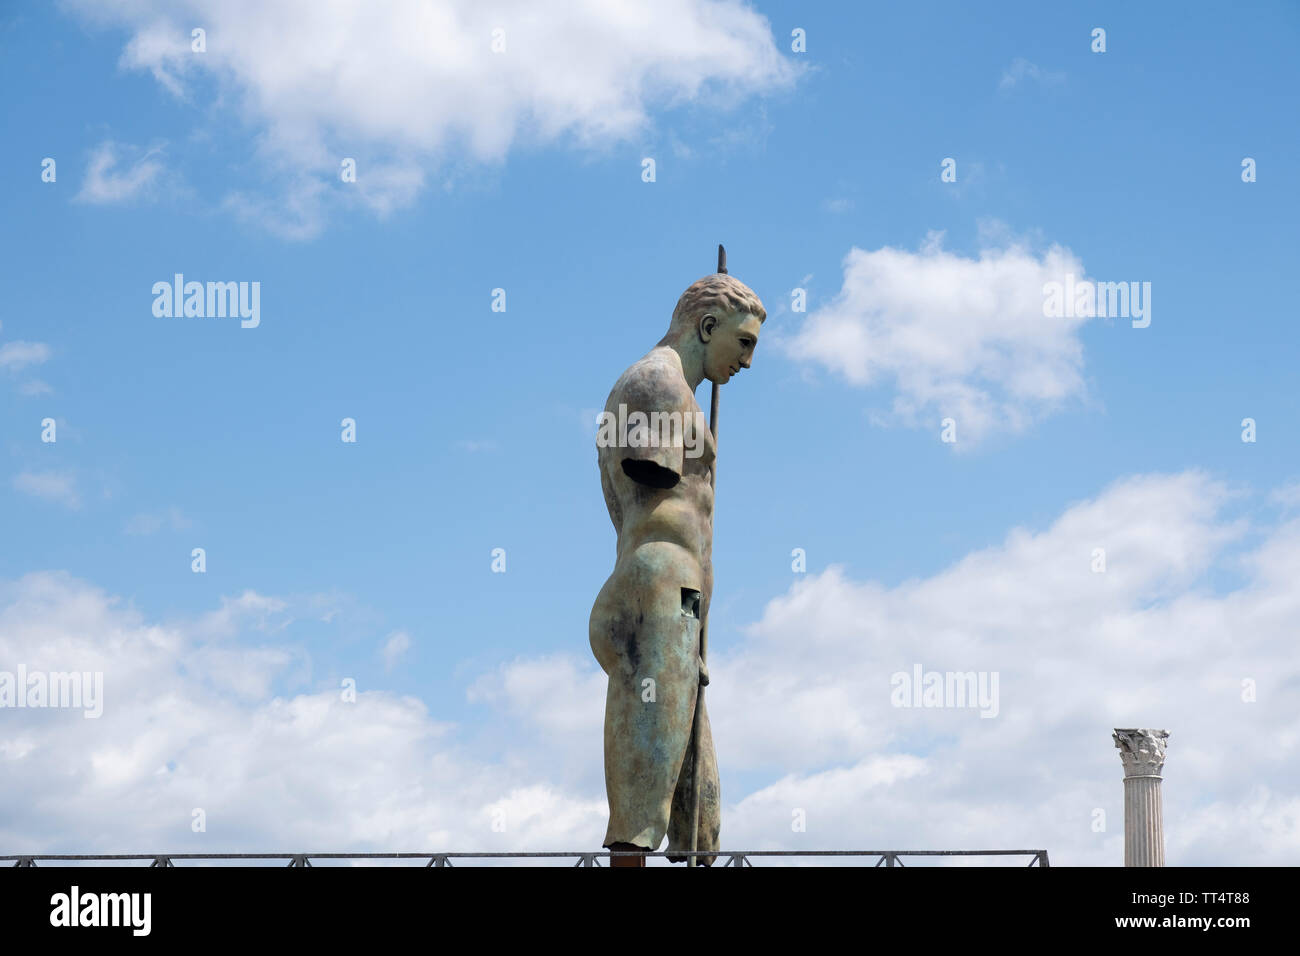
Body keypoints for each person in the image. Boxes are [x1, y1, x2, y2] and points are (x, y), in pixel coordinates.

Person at [590, 271, 764, 867]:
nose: (747, 361)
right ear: (707, 326)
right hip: (656, 594)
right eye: (743, 343)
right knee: (643, 805)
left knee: (699, 813)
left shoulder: (683, 396)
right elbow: (642, 496)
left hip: (680, 609)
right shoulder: (655, 383)